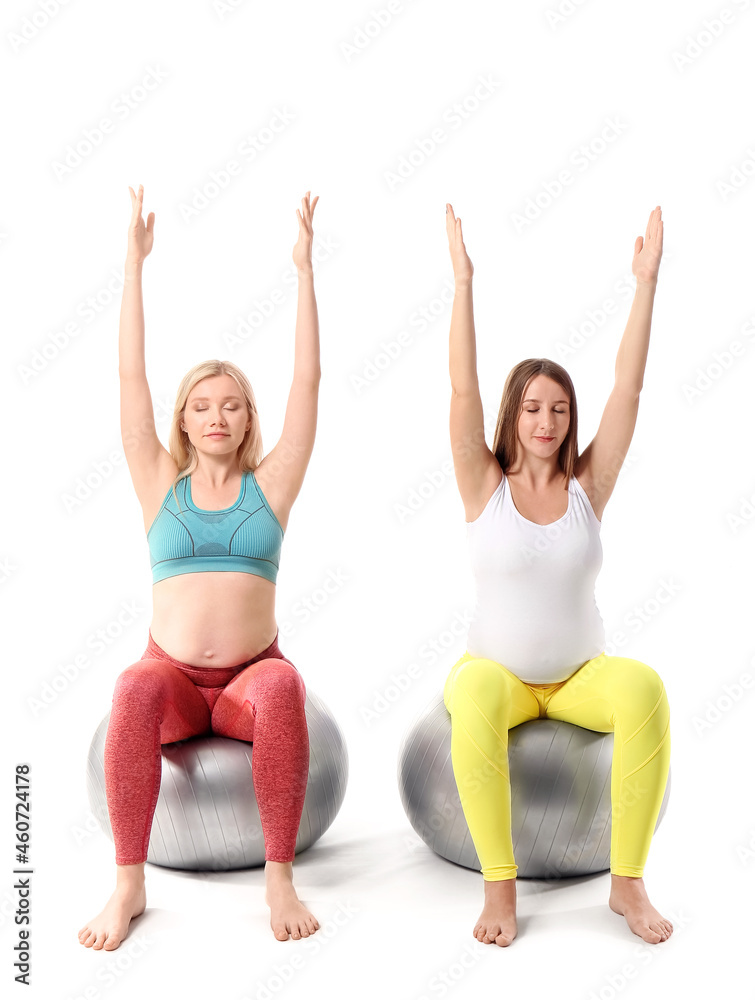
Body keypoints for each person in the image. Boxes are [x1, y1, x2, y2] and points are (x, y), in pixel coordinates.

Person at [78, 185, 322, 951]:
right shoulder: (159, 482)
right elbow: (128, 384)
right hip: (176, 681)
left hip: (250, 677)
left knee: (285, 685)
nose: (217, 416)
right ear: (182, 418)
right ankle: (128, 883)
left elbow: (308, 387)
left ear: (249, 418)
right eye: (201, 405)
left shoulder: (271, 485)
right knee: (132, 687)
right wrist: (132, 267)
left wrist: (305, 273)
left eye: (233, 405)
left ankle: (278, 876)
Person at [442, 203, 671, 947]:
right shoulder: (483, 483)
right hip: (498, 676)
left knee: (643, 686)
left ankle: (626, 883)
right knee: (472, 689)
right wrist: (463, 283)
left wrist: (645, 284)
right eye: (533, 407)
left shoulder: (586, 490)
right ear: (513, 415)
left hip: (577, 679)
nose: (546, 421)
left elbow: (627, 394)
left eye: (559, 409)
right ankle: (499, 891)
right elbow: (460, 393)